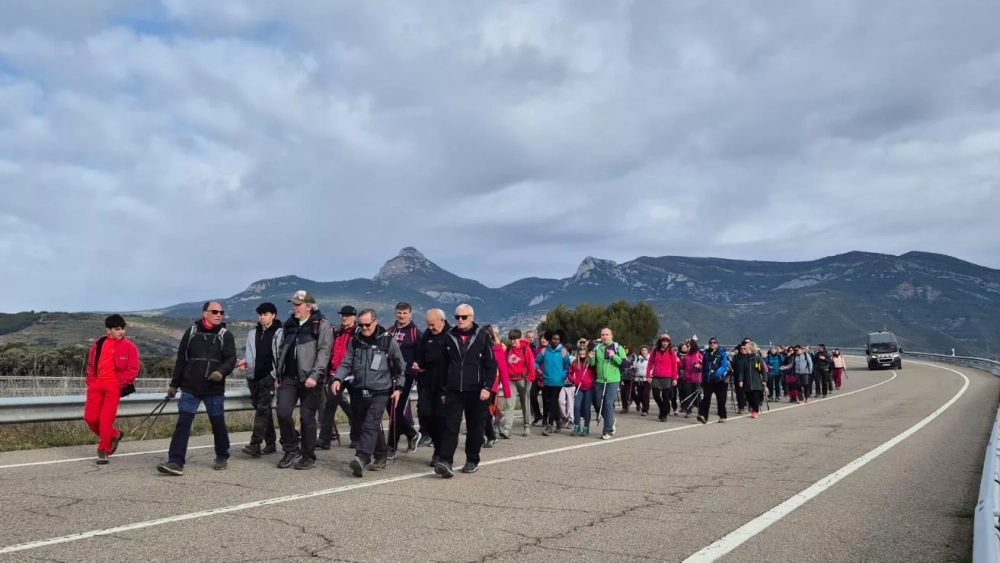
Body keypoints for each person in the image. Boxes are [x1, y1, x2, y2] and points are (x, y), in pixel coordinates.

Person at [157, 302, 237, 476]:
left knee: (217, 423)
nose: (219, 315)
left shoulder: (226, 335)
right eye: (214, 312)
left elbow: (231, 360)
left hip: (213, 388)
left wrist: (221, 372)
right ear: (204, 313)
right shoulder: (191, 332)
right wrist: (174, 384)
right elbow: (181, 359)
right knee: (183, 422)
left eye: (221, 312)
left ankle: (222, 455)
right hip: (190, 387)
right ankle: (175, 461)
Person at [330, 308, 405, 477]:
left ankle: (362, 457)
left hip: (381, 391)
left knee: (370, 423)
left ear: (375, 322)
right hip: (359, 390)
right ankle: (381, 455)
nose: (364, 328)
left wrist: (399, 388)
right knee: (369, 424)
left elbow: (400, 367)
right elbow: (346, 363)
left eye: (367, 325)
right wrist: (337, 378)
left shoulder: (387, 341)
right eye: (361, 325)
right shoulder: (355, 341)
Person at [274, 290, 334, 470]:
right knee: (282, 412)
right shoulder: (289, 324)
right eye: (293, 304)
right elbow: (281, 350)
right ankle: (291, 448)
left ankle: (308, 455)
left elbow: (324, 352)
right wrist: (278, 374)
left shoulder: (321, 324)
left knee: (307, 418)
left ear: (309, 306)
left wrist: (315, 376)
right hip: (289, 377)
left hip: (310, 379)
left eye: (298, 305)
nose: (294, 307)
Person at [435, 304, 497, 477]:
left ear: (472, 317)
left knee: (475, 427)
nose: (460, 320)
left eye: (464, 317)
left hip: (477, 391)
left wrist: (487, 387)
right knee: (450, 426)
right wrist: (443, 391)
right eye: (457, 317)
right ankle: (445, 461)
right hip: (454, 390)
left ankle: (472, 459)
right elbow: (443, 366)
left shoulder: (482, 336)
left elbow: (491, 365)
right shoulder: (449, 336)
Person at [84, 314, 140, 465]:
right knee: (90, 418)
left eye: (122, 329)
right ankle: (114, 434)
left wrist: (119, 383)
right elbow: (90, 365)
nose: (121, 332)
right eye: (117, 329)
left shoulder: (129, 347)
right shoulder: (99, 343)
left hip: (113, 387)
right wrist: (91, 382)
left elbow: (133, 369)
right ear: (108, 330)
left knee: (105, 419)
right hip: (96, 386)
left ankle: (103, 450)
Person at [239, 303, 282, 458]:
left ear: (273, 315)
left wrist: (274, 375)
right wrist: (246, 364)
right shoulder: (253, 333)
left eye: (265, 314)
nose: (262, 317)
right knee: (263, 410)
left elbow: (280, 357)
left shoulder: (279, 333)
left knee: (262, 409)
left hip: (269, 377)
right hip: (254, 378)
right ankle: (270, 443)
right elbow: (251, 354)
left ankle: (255, 444)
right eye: (260, 314)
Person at [413, 308, 450, 466]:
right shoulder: (426, 335)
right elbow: (420, 355)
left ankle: (440, 452)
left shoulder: (451, 335)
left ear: (442, 321)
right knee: (425, 414)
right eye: (428, 324)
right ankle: (432, 440)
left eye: (433, 324)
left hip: (445, 382)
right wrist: (417, 363)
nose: (430, 327)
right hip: (427, 380)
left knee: (441, 419)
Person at [318, 305, 357, 450]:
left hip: (353, 375)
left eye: (347, 316)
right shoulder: (337, 332)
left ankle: (356, 438)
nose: (344, 318)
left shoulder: (358, 333)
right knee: (330, 406)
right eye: (343, 315)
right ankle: (324, 440)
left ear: (354, 317)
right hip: (336, 374)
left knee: (357, 406)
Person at [386, 302, 422, 457]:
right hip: (389, 375)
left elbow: (421, 353)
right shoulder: (390, 331)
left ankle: (391, 447)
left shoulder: (415, 332)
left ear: (410, 314)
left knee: (396, 409)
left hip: (406, 376)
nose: (402, 316)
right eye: (399, 313)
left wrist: (416, 366)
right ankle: (411, 433)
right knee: (390, 408)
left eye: (405, 313)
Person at [589, 327, 626, 440]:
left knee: (608, 403)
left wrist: (614, 356)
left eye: (606, 334)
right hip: (600, 380)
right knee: (597, 403)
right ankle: (610, 421)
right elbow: (592, 364)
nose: (604, 336)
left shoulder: (617, 347)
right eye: (602, 335)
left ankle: (607, 431)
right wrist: (591, 358)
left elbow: (624, 363)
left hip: (612, 380)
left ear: (611, 336)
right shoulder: (597, 348)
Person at [535, 329, 571, 435]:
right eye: (554, 339)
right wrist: (538, 369)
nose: (556, 341)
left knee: (553, 401)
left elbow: (567, 366)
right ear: (549, 339)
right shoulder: (544, 351)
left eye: (558, 339)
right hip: (546, 381)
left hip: (558, 382)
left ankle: (549, 425)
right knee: (550, 402)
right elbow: (536, 362)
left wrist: (563, 375)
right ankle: (558, 421)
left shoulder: (563, 351)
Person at [503, 329, 535, 437]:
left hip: (523, 380)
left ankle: (526, 426)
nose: (513, 341)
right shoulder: (508, 350)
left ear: (519, 338)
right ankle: (507, 429)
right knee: (509, 404)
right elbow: (504, 365)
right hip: (511, 380)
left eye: (515, 339)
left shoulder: (525, 349)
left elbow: (531, 364)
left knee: (525, 403)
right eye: (511, 339)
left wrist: (529, 379)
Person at [483, 325, 512, 445]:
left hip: (492, 383)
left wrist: (506, 391)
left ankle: (490, 436)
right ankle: (483, 435)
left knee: (486, 410)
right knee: (479, 411)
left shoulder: (498, 349)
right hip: (477, 383)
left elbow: (503, 370)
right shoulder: (477, 348)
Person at [696, 337, 729, 424]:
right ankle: (703, 416)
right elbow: (704, 366)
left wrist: (717, 374)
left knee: (721, 399)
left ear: (717, 344)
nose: (712, 344)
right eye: (711, 343)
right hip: (708, 380)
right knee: (706, 398)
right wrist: (703, 376)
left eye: (714, 342)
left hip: (719, 380)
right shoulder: (706, 353)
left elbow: (724, 366)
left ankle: (722, 416)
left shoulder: (722, 353)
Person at [648, 335, 679, 421]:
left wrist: (675, 378)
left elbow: (674, 365)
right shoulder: (655, 350)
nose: (665, 343)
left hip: (667, 377)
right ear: (660, 342)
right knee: (656, 395)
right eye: (663, 341)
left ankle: (664, 415)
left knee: (666, 396)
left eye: (667, 341)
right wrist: (648, 375)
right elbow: (650, 363)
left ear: (669, 342)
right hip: (656, 376)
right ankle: (663, 409)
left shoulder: (671, 351)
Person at [567, 346, 596, 436]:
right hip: (579, 387)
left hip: (589, 388)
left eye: (584, 354)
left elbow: (595, 373)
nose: (582, 356)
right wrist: (575, 381)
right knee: (576, 406)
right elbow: (570, 374)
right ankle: (577, 426)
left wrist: (591, 381)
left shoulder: (590, 363)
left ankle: (586, 427)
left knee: (586, 408)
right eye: (580, 354)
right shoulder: (575, 363)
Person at [734, 342, 766, 418]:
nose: (745, 349)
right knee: (749, 397)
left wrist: (764, 380)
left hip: (756, 381)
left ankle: (755, 411)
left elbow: (763, 370)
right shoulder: (745, 359)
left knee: (755, 397)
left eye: (746, 348)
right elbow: (742, 371)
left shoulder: (758, 358)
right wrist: (740, 380)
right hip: (747, 382)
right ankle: (752, 407)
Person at [677, 340, 702, 418]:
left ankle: (700, 412)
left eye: (688, 346)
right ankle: (689, 410)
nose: (687, 348)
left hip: (696, 379)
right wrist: (678, 361)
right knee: (687, 395)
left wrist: (699, 366)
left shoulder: (699, 355)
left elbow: (704, 366)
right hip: (687, 379)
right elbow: (682, 366)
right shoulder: (686, 356)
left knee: (697, 397)